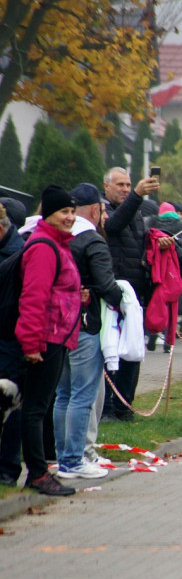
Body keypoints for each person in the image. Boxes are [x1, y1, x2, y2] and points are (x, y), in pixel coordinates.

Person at [0, 186, 82, 495]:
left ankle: (37, 471)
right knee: (34, 410)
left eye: (73, 212)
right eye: (64, 212)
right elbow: (33, 299)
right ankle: (37, 474)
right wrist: (32, 344)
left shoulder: (58, 245)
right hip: (44, 340)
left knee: (38, 407)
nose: (70, 217)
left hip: (57, 337)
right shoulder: (44, 247)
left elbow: (58, 289)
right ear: (48, 214)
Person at [52, 183, 122, 481]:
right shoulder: (93, 240)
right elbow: (106, 285)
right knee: (82, 395)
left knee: (63, 394)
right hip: (85, 324)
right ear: (96, 210)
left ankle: (62, 455)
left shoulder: (56, 239)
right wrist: (122, 301)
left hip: (57, 325)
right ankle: (73, 459)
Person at [101, 167, 162, 422]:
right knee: (111, 353)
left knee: (133, 352)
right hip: (113, 293)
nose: (126, 189)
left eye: (128, 185)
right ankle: (106, 409)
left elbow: (136, 242)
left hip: (135, 294)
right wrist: (137, 194)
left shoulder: (135, 212)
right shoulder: (103, 209)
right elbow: (114, 226)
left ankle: (125, 407)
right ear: (107, 187)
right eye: (120, 185)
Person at [145, 202, 182, 352]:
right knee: (171, 305)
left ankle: (152, 334)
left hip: (156, 269)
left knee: (156, 302)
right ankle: (167, 342)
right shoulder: (180, 224)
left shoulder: (152, 222)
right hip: (172, 269)